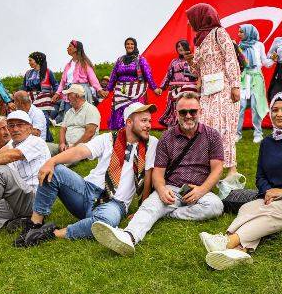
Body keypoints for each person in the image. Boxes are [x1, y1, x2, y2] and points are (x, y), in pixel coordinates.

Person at [200, 92, 282, 270]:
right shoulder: (268, 142)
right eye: (275, 110)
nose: (279, 114)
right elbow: (260, 176)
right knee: (247, 207)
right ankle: (240, 250)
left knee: (270, 211)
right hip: (275, 198)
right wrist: (268, 192)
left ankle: (228, 240)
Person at [90, 92, 224, 256]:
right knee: (149, 207)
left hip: (199, 189)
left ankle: (168, 214)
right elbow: (158, 173)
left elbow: (217, 168)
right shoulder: (167, 137)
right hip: (172, 189)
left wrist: (202, 190)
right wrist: (161, 189)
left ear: (200, 111)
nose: (188, 116)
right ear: (176, 113)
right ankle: (128, 237)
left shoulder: (212, 136)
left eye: (193, 111)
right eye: (183, 112)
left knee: (216, 206)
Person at [16, 103, 158, 246]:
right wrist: (51, 161)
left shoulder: (151, 143)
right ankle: (35, 224)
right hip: (86, 191)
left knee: (105, 223)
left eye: (150, 121)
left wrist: (141, 209)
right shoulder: (108, 138)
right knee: (55, 170)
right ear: (129, 122)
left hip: (114, 203)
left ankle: (52, 233)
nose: (149, 125)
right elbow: (81, 151)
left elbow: (148, 176)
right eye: (144, 121)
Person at [184, 3, 241, 178]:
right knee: (207, 126)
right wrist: (190, 62)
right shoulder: (199, 40)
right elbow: (197, 72)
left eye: (191, 18)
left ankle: (232, 169)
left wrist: (235, 85)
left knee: (225, 126)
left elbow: (231, 59)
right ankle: (209, 167)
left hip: (224, 88)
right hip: (208, 91)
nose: (190, 22)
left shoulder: (219, 33)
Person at [0, 111, 50, 237]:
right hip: (14, 199)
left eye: (20, 125)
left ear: (30, 127)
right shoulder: (12, 144)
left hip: (34, 200)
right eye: (11, 125)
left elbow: (12, 155)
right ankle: (15, 222)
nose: (15, 129)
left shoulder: (35, 141)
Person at [106, 37, 162, 130]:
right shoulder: (119, 60)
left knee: (135, 111)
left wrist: (154, 88)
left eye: (132, 44)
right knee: (120, 111)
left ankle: (136, 132)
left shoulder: (140, 59)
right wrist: (108, 89)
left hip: (137, 90)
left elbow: (148, 74)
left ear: (135, 46)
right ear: (125, 46)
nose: (129, 46)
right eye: (127, 44)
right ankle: (120, 133)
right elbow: (113, 76)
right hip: (121, 91)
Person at [236, 24, 273, 143]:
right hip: (244, 78)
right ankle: (237, 133)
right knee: (240, 106)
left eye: (241, 32)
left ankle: (258, 133)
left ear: (248, 32)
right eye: (239, 32)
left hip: (256, 77)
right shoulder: (239, 46)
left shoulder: (259, 45)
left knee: (255, 105)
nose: (239, 34)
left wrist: (273, 59)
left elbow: (265, 62)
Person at [52, 40, 107, 115]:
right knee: (68, 113)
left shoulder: (84, 63)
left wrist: (99, 89)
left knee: (81, 114)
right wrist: (57, 93)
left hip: (81, 91)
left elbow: (92, 78)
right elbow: (62, 82)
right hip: (69, 92)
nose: (67, 48)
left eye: (70, 46)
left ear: (76, 49)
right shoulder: (68, 65)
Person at [49, 84, 100, 156]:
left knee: (66, 158)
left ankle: (58, 162)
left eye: (69, 95)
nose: (67, 98)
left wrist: (74, 147)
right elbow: (63, 129)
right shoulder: (69, 112)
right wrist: (62, 143)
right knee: (45, 147)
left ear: (77, 96)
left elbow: (89, 133)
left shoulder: (91, 109)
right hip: (67, 147)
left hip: (84, 148)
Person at [158, 40, 198, 128]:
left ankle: (189, 129)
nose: (180, 48)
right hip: (175, 91)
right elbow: (168, 75)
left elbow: (198, 74)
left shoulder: (194, 60)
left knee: (188, 109)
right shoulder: (174, 62)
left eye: (182, 46)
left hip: (190, 90)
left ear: (187, 47)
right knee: (175, 109)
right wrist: (161, 87)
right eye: (178, 46)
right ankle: (173, 130)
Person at [22, 52, 58, 119]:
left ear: (37, 60)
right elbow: (24, 87)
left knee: (43, 117)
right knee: (31, 118)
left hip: (44, 99)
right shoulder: (28, 73)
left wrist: (56, 95)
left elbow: (55, 85)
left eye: (30, 60)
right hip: (31, 98)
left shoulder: (48, 72)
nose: (29, 62)